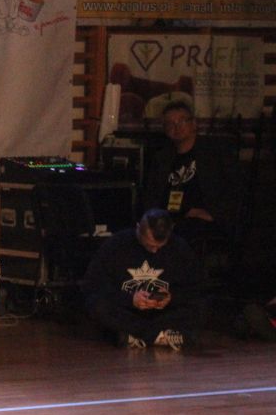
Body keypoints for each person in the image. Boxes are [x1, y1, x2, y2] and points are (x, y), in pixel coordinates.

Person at [83, 208, 208, 350]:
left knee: (199, 307)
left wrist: (171, 297)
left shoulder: (180, 248)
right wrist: (131, 300)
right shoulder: (115, 245)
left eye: (160, 246)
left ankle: (135, 336)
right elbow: (94, 285)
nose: (154, 250)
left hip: (161, 314)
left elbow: (195, 287)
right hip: (128, 311)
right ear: (138, 229)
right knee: (96, 305)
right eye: (149, 245)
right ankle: (159, 336)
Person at [140, 100, 239, 251]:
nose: (177, 127)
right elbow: (151, 195)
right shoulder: (162, 158)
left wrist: (216, 213)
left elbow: (234, 187)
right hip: (169, 217)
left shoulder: (213, 153)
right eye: (170, 123)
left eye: (182, 121)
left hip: (201, 220)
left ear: (193, 124)